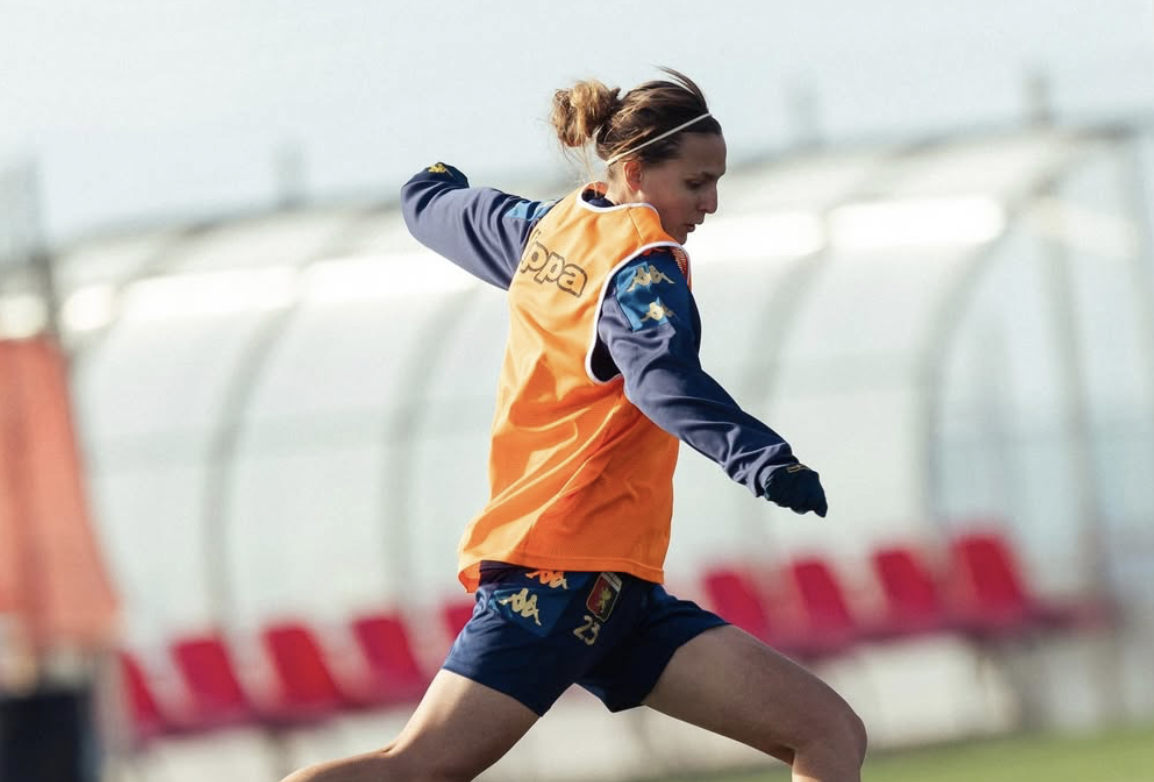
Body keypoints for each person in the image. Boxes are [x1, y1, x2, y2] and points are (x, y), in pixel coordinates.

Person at [282, 68, 866, 782]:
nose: (711, 203)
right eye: (695, 183)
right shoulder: (641, 271)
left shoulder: (543, 231)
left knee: (827, 731)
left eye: (718, 181)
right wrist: (762, 460)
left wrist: (430, 179)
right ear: (631, 172)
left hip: (618, 589)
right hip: (560, 573)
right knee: (416, 768)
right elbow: (663, 380)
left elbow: (435, 208)